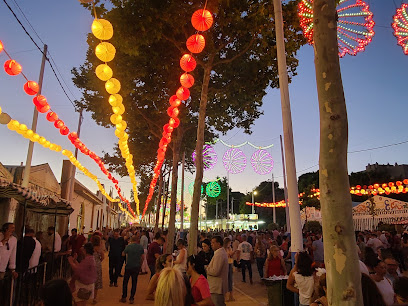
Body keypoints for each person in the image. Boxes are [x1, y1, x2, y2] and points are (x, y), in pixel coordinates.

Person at [120, 235, 145, 304]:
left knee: (125, 282)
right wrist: (140, 265)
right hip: (136, 266)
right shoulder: (140, 247)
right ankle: (131, 298)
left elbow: (123, 254)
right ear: (137, 240)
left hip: (128, 266)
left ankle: (124, 297)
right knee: (134, 282)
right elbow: (143, 257)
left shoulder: (128, 246)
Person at [207, 236, 229, 306]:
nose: (211, 244)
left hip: (217, 287)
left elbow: (215, 271)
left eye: (213, 242)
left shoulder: (219, 254)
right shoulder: (218, 253)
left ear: (219, 244)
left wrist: (207, 269)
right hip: (216, 286)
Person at [91, 234, 104, 304]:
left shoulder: (90, 247)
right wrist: (98, 261)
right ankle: (94, 298)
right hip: (97, 265)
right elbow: (103, 256)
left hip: (90, 264)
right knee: (96, 281)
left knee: (89, 280)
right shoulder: (99, 248)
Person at [223, 237, 235, 302]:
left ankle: (231, 295)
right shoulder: (223, 249)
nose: (230, 244)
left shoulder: (229, 248)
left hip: (230, 263)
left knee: (230, 280)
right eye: (229, 243)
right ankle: (225, 296)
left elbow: (231, 255)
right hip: (226, 264)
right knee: (225, 280)